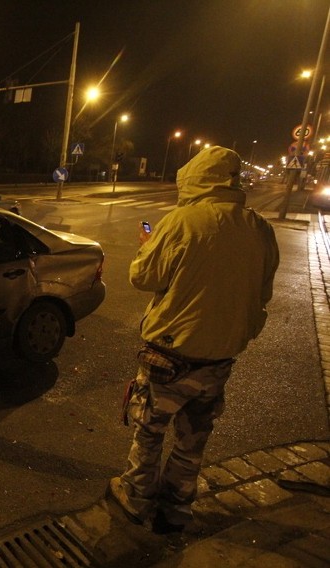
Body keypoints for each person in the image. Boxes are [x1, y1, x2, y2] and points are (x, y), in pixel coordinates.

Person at [107, 145, 279, 533]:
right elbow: (262, 295)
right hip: (220, 360)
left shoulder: (182, 221)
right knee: (193, 439)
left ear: (195, 178)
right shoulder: (261, 229)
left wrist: (148, 246)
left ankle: (136, 497)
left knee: (149, 431)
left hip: (169, 355)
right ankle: (176, 509)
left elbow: (143, 278)